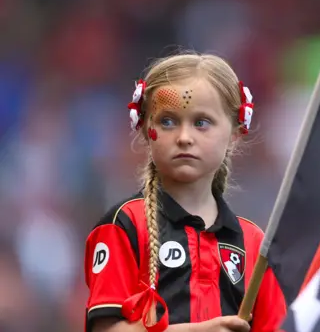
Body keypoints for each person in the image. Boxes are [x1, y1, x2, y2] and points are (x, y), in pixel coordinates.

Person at [83, 51, 287, 332]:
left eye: (201, 122)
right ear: (144, 129)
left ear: (235, 132)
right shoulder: (124, 225)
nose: (184, 137)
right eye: (167, 121)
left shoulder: (253, 242)